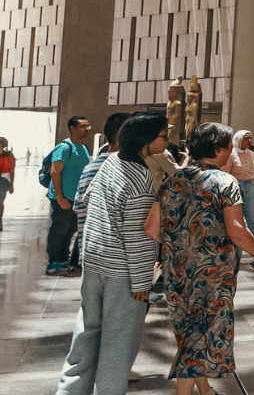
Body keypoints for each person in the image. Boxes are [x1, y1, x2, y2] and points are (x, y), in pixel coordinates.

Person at [147, 122, 254, 395]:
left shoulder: (173, 180)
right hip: (214, 273)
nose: (230, 151)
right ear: (218, 149)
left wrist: (182, 246)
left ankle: (205, 391)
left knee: (190, 330)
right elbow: (237, 230)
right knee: (200, 333)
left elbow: (152, 228)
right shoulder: (226, 182)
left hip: (177, 269)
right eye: (228, 146)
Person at [55, 112, 166, 395]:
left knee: (86, 336)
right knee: (118, 346)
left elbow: (84, 204)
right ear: (146, 140)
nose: (168, 140)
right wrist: (143, 281)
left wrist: (87, 252)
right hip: (123, 273)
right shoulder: (140, 176)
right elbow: (137, 234)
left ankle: (68, 391)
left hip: (94, 263)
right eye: (163, 136)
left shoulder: (108, 163)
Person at [73, 114, 132, 273]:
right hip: (120, 261)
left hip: (91, 254)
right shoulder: (131, 170)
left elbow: (78, 207)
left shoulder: (90, 168)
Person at [46, 116, 94, 276]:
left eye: (88, 126)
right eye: (83, 126)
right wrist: (60, 197)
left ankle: (63, 259)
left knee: (70, 230)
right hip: (62, 197)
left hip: (75, 199)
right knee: (59, 230)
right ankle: (53, 262)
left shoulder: (84, 148)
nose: (87, 129)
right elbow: (55, 171)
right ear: (72, 128)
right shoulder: (64, 147)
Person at [218, 129, 254, 258]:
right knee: (237, 222)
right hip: (236, 188)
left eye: (250, 138)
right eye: (246, 138)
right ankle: (236, 255)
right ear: (239, 139)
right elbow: (226, 175)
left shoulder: (252, 155)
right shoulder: (231, 155)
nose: (249, 141)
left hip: (251, 188)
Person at [0, 136, 13, 231]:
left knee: (0, 202)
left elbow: (11, 171)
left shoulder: (9, 156)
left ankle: (0, 221)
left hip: (3, 180)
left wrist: (11, 185)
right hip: (4, 181)